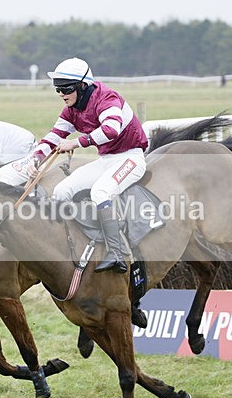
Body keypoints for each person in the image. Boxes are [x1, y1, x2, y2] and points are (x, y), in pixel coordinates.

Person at [28, 57, 148, 274]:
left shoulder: (107, 98)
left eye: (66, 89)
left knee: (101, 192)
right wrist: (36, 159)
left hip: (130, 158)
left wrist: (75, 142)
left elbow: (111, 130)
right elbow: (54, 137)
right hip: (107, 160)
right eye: (58, 90)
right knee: (62, 190)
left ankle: (117, 253)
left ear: (83, 86)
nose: (61, 94)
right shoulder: (72, 108)